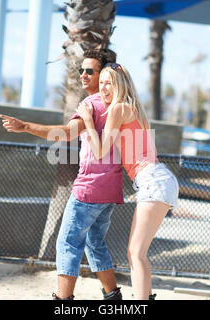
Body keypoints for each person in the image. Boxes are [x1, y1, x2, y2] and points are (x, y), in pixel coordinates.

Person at [0, 49, 123, 300]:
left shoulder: (91, 104)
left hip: (89, 189)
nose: (84, 75)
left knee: (67, 243)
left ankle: (63, 301)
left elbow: (66, 133)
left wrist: (25, 127)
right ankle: (113, 298)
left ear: (104, 74)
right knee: (94, 243)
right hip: (111, 190)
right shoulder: (119, 105)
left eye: (91, 71)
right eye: (82, 70)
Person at [76, 62, 179, 300]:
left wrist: (88, 120)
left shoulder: (119, 109)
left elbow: (100, 150)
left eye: (108, 83)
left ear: (120, 84)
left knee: (136, 252)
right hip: (158, 179)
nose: (103, 88)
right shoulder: (135, 109)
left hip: (152, 180)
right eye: (100, 83)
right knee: (137, 253)